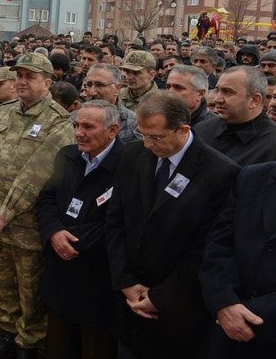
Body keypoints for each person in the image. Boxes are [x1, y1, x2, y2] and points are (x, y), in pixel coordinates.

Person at [104, 90, 239, 358]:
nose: (147, 144)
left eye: (155, 137)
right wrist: (125, 281)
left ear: (182, 130)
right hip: (128, 302)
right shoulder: (132, 155)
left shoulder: (220, 173)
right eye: (143, 135)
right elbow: (115, 221)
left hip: (178, 311)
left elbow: (207, 247)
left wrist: (161, 297)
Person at [0, 53, 76, 359]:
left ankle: (28, 344)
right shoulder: (3, 113)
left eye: (30, 77)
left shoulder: (58, 122)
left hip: (26, 225)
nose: (21, 82)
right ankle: (7, 334)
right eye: (19, 76)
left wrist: (6, 212)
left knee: (29, 289)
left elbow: (37, 173)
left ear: (48, 82)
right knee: (1, 283)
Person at [36, 100, 123, 359]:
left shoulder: (128, 165)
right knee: (59, 344)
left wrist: (73, 240)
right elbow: (46, 198)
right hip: (60, 271)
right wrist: (54, 232)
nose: (79, 133)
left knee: (94, 346)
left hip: (95, 278)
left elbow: (119, 222)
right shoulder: (67, 155)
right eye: (76, 125)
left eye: (88, 126)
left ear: (113, 130)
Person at [199, 138, 276, 358]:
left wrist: (251, 315)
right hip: (223, 332)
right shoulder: (253, 177)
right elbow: (219, 243)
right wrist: (224, 301)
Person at [195, 66, 276, 166]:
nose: (218, 99)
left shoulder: (275, 144)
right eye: (218, 90)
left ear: (254, 100)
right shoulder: (202, 130)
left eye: (228, 92)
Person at [84, 64, 139, 143]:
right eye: (89, 85)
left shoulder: (134, 123)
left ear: (117, 88)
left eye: (100, 85)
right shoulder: (73, 120)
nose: (92, 92)